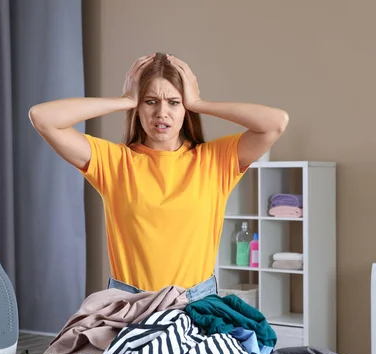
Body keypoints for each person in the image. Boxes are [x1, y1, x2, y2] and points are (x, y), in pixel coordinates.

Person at [28, 52, 288, 297]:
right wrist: (124, 100)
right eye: (150, 101)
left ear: (185, 110)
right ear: (138, 109)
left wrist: (199, 103)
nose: (161, 113)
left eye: (174, 103)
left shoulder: (215, 161)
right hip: (129, 309)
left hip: (195, 307)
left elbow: (276, 123)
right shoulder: (114, 162)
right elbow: (42, 117)